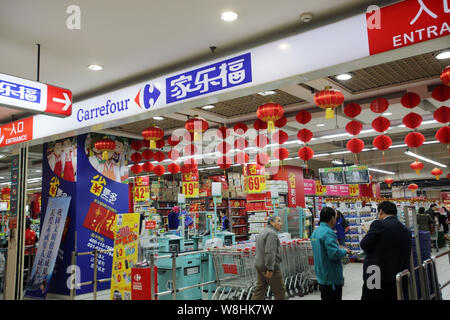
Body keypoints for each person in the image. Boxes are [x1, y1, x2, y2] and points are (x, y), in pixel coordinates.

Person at [360, 201, 411, 300]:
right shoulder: (406, 230)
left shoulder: (379, 224)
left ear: (381, 211)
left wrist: (369, 233)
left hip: (375, 276)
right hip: (397, 277)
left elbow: (364, 245)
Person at [311, 207, 350, 300]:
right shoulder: (328, 232)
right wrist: (344, 251)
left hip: (321, 274)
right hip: (331, 277)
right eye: (335, 218)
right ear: (332, 218)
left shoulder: (315, 232)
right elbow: (334, 254)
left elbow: (323, 249)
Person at [251, 216, 286, 300]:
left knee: (259, 291)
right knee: (280, 292)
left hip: (260, 265)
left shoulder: (263, 231)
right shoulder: (272, 234)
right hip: (269, 268)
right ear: (272, 223)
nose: (281, 224)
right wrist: (270, 268)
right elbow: (270, 252)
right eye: (279, 221)